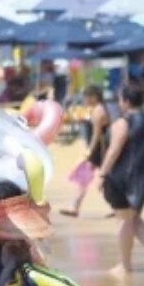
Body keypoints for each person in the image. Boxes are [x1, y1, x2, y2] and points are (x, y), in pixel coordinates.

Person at [98, 83, 144, 275]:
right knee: (133, 217)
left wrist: (102, 173)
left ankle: (125, 265)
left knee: (124, 220)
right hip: (143, 178)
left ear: (125, 101)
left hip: (121, 178)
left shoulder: (122, 122)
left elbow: (114, 149)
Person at [61, 86, 109, 218]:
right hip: (100, 149)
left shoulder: (99, 111)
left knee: (89, 177)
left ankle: (74, 206)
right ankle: (74, 206)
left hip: (100, 150)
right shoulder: (97, 109)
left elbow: (97, 135)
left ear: (94, 97)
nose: (85, 100)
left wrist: (90, 152)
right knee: (92, 178)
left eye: (86, 97)